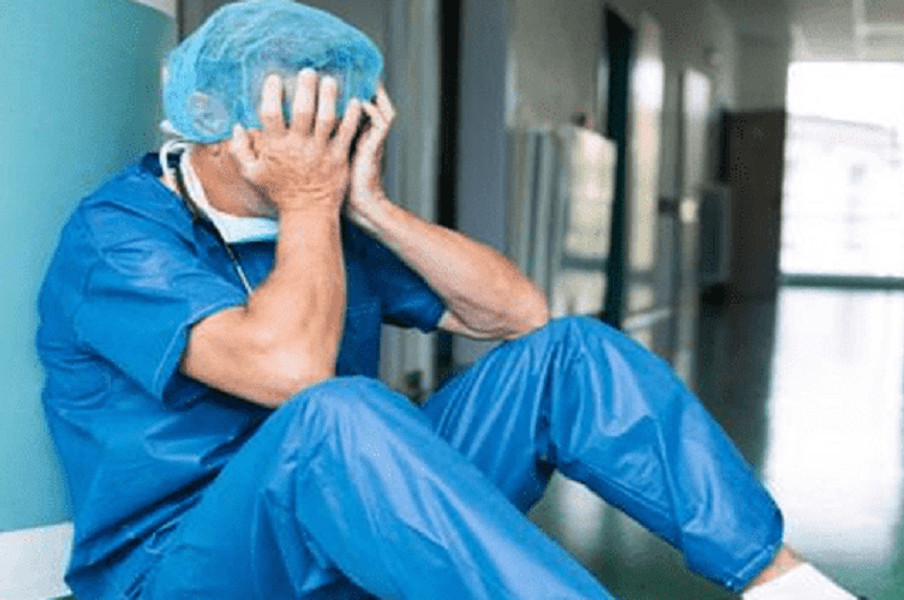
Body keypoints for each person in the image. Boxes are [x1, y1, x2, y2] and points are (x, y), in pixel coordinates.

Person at [36, 2, 863, 599]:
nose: (320, 142)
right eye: (296, 121)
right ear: (215, 120)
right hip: (183, 566)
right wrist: (312, 200)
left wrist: (370, 207)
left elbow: (518, 314)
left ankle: (782, 582)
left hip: (340, 538)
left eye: (334, 122)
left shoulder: (325, 217)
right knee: (340, 410)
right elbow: (294, 375)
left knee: (569, 354)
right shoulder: (121, 235)